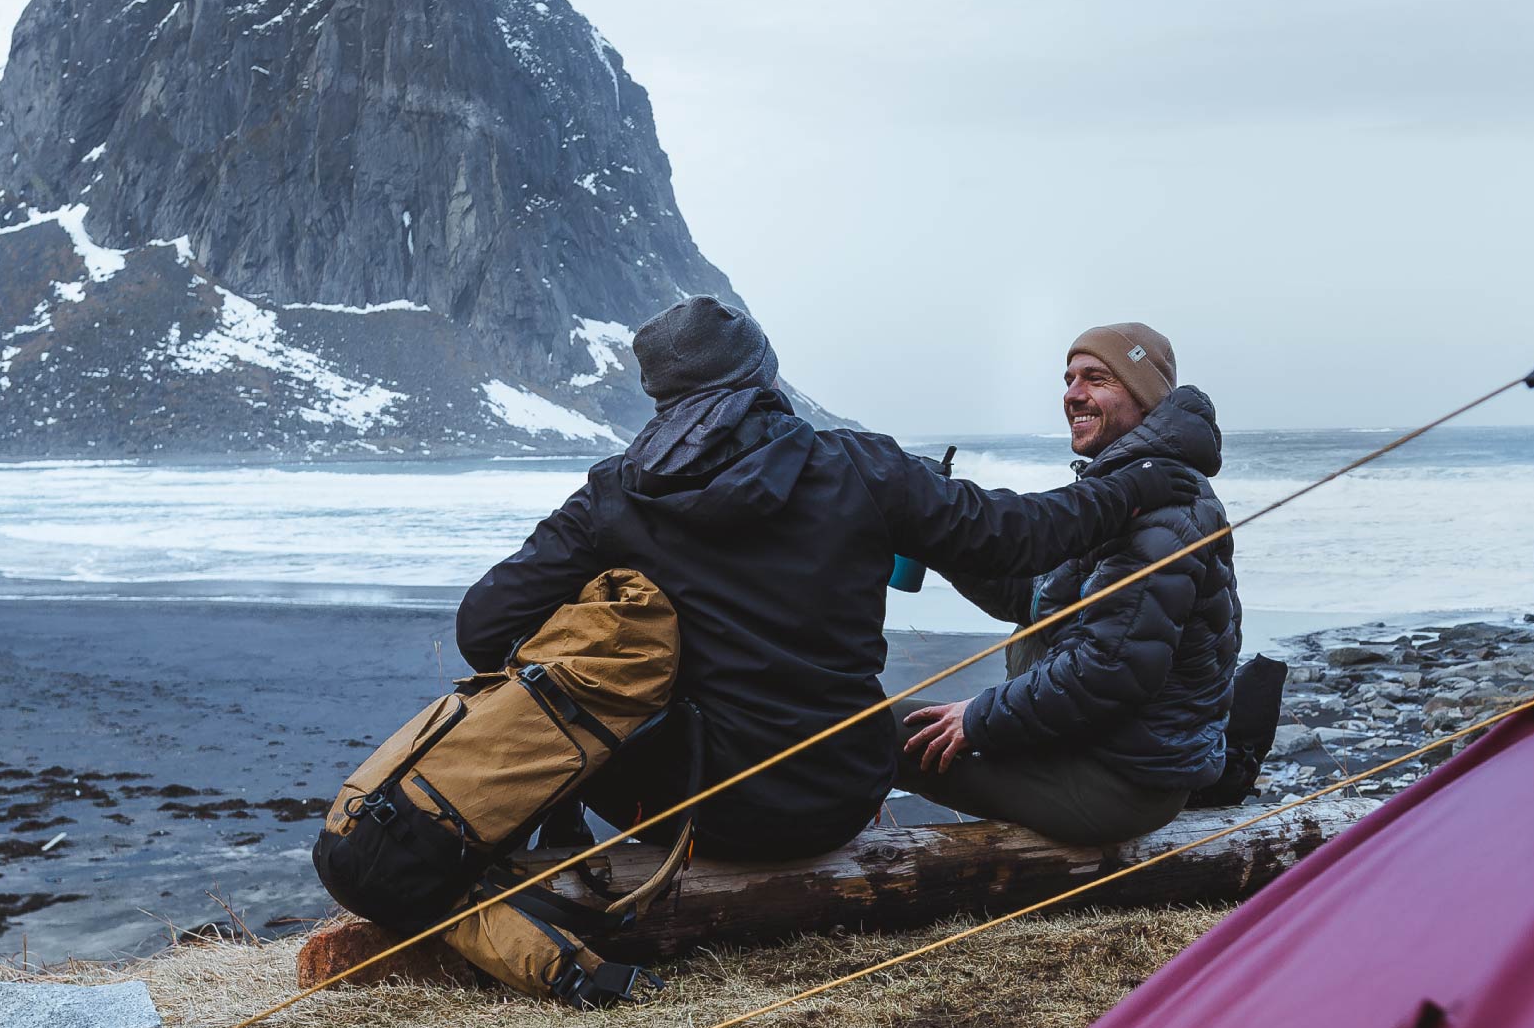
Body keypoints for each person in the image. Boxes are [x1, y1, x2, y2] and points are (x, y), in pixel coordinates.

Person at [456, 297, 1196, 861]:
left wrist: (613, 649)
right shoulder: (861, 467)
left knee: (580, 743)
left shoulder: (614, 497)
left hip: (688, 805)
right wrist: (1136, 485)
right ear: (764, 376)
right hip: (838, 795)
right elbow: (1023, 536)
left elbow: (482, 628)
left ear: (661, 392)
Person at [902, 322, 1242, 844]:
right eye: (1069, 378)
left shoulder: (1165, 507)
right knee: (878, 724)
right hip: (1088, 751)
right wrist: (937, 533)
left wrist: (978, 717)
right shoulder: (1122, 488)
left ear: (1144, 395)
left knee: (871, 733)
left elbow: (1110, 667)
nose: (1073, 394)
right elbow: (1037, 601)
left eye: (1096, 378)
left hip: (1119, 782)